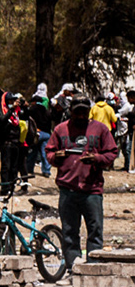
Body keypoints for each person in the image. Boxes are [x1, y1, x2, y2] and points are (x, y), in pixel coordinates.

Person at [47, 98, 115, 264]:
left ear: (89, 111)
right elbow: (49, 152)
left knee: (95, 231)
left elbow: (111, 153)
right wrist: (57, 156)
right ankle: (72, 266)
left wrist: (97, 158)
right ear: (71, 111)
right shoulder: (61, 129)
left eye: (84, 112)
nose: (81, 116)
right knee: (69, 232)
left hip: (92, 190)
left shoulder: (100, 129)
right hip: (68, 189)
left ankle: (93, 267)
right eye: (77, 112)